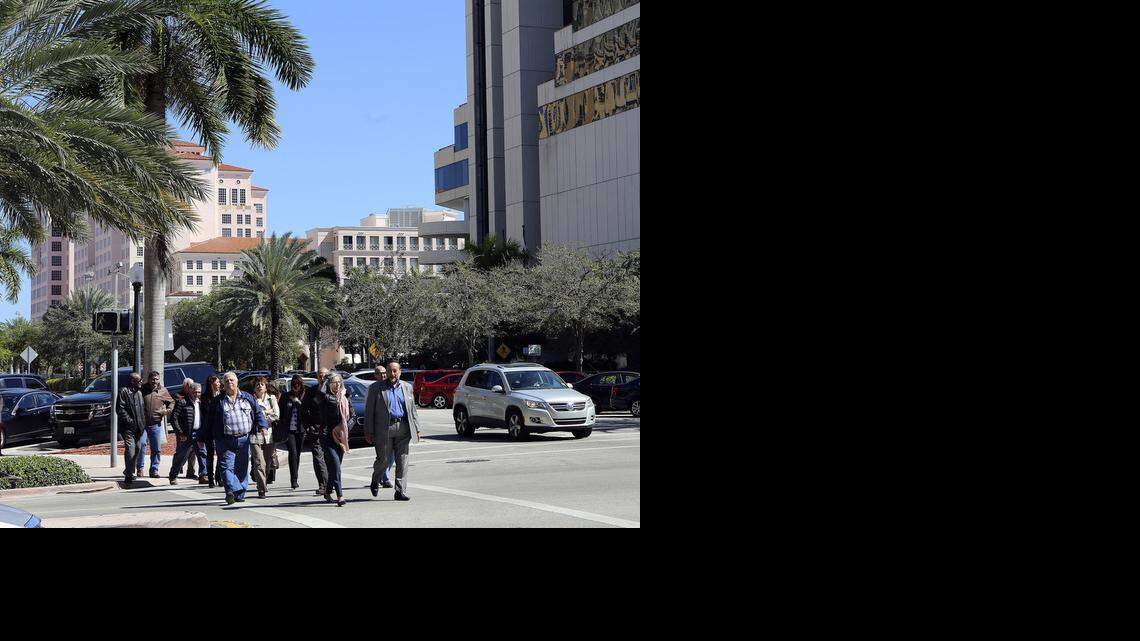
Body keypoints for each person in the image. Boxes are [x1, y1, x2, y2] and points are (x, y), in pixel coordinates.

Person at [365, 359, 421, 501]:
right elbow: (369, 411)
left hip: (403, 427)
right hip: (384, 429)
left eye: (395, 370)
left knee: (402, 461)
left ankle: (400, 491)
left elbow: (412, 409)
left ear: (400, 372)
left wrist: (417, 427)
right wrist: (368, 431)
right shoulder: (376, 388)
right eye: (390, 370)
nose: (392, 373)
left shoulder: (407, 387)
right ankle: (375, 479)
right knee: (383, 460)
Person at [210, 371, 268, 505]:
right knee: (226, 467)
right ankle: (232, 490)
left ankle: (239, 493)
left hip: (244, 439)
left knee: (242, 468)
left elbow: (258, 413)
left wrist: (263, 426)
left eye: (232, 380)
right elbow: (209, 421)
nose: (229, 382)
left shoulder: (248, 398)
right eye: (227, 381)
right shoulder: (218, 401)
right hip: (225, 440)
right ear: (223, 384)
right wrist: (203, 437)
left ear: (237, 382)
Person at [277, 375, 317, 490]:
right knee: (293, 453)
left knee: (297, 454)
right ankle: (293, 480)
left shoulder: (305, 396)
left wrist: (298, 402)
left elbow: (308, 411)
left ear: (301, 385)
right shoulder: (285, 396)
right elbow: (280, 413)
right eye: (294, 384)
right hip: (289, 430)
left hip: (301, 429)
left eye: (298, 384)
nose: (296, 386)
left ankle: (296, 476)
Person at [316, 374, 350, 506]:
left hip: (341, 436)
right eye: (334, 382)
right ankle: (340, 495)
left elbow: (351, 416)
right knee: (335, 465)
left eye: (339, 382)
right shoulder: (324, 397)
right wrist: (325, 380)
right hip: (327, 436)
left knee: (334, 468)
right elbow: (319, 393)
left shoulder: (345, 397)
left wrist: (343, 427)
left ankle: (328, 491)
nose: (337, 385)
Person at [136, 370, 173, 479]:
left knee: (156, 448)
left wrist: (167, 411)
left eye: (156, 379)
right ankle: (140, 468)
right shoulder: (142, 389)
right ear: (148, 379)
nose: (154, 381)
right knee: (141, 445)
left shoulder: (163, 391)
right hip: (143, 424)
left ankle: (154, 469)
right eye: (152, 379)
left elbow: (172, 402)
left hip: (156, 424)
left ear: (159, 379)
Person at [169, 380, 207, 486]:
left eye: (199, 392)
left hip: (199, 433)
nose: (197, 394)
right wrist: (180, 433)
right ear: (190, 391)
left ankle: (203, 475)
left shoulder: (201, 403)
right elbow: (174, 418)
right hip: (186, 434)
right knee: (181, 456)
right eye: (195, 392)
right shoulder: (183, 402)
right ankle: (173, 476)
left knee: (202, 454)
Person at [249, 377, 279, 499]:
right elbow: (252, 417)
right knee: (258, 462)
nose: (259, 386)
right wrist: (267, 413)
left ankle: (264, 481)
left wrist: (263, 416)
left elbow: (276, 415)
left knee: (267, 463)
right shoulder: (251, 400)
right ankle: (261, 489)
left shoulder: (271, 399)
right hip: (255, 434)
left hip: (269, 435)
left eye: (262, 384)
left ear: (266, 387)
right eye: (257, 384)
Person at [116, 372, 146, 484]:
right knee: (130, 450)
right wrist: (130, 421)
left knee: (138, 448)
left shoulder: (139, 393)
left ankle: (128, 470)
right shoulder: (123, 391)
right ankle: (129, 475)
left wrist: (143, 423)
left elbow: (142, 410)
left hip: (139, 427)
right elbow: (120, 409)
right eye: (139, 380)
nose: (141, 382)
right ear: (133, 381)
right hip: (128, 428)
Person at [371, 364, 395, 489]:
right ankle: (383, 477)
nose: (384, 375)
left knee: (392, 456)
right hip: (380, 428)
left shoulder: (391, 386)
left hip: (393, 427)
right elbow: (369, 410)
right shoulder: (373, 388)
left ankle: (382, 475)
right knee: (383, 456)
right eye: (380, 373)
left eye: (385, 372)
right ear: (375, 375)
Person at [200, 375, 222, 487]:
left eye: (219, 382)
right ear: (211, 383)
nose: (219, 384)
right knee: (209, 455)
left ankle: (219, 476)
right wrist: (201, 434)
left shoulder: (222, 396)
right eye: (217, 382)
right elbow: (202, 417)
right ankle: (210, 478)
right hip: (208, 430)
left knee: (221, 454)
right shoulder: (204, 398)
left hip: (220, 431)